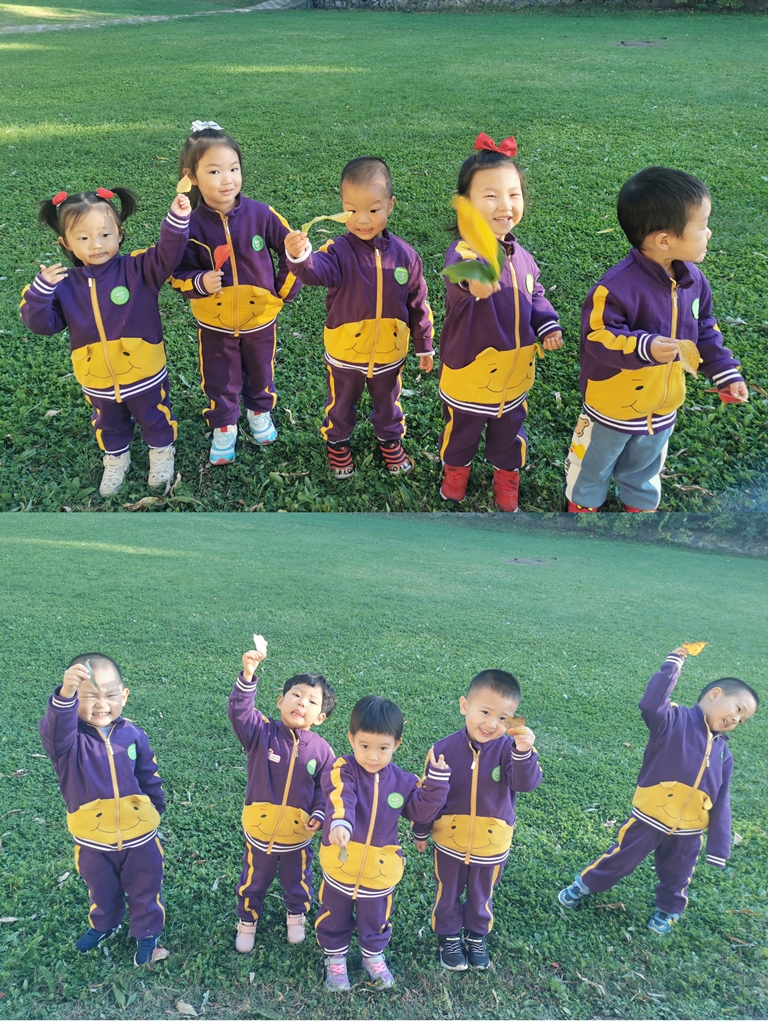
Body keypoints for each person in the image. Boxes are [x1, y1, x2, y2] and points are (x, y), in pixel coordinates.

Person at [565, 166, 748, 512]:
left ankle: (639, 505)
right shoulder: (615, 288)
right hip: (612, 406)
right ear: (664, 240)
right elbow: (598, 338)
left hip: (663, 407)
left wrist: (725, 373)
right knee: (593, 463)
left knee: (646, 465)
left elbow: (704, 329)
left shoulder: (694, 281)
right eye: (702, 226)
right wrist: (644, 346)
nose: (709, 232)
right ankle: (584, 504)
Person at [558, 647, 758, 934]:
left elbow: (721, 801)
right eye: (738, 709)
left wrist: (718, 846)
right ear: (715, 694)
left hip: (690, 832)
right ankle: (584, 884)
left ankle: (668, 910)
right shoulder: (674, 720)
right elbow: (651, 704)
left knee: (678, 875)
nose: (737, 720)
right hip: (649, 818)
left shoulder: (724, 754)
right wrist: (672, 666)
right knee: (620, 858)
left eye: (743, 719)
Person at [20, 188, 190, 496]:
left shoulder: (138, 269)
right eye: (83, 238)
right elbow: (42, 325)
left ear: (120, 233)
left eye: (105, 234)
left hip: (144, 371)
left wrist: (177, 220)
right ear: (65, 243)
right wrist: (40, 294)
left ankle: (161, 452)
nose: (96, 244)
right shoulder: (65, 287)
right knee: (108, 422)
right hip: (96, 378)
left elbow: (168, 254)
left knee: (154, 415)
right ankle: (116, 458)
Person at [284, 156, 434, 479]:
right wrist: (299, 256)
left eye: (374, 210)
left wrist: (424, 344)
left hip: (389, 354)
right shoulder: (337, 252)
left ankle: (390, 439)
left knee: (389, 401)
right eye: (352, 211)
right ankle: (337, 442)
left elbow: (418, 303)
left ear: (391, 205)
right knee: (341, 402)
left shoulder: (407, 257)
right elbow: (313, 272)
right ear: (341, 209)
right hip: (345, 353)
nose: (363, 220)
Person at [437, 133, 564, 512]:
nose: (505, 205)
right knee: (461, 431)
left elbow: (534, 292)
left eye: (513, 194)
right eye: (490, 195)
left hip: (515, 375)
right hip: (470, 375)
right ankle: (456, 470)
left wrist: (547, 323)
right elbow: (460, 272)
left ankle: (507, 476)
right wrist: (475, 279)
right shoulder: (466, 250)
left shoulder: (523, 256)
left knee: (510, 433)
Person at [169, 121, 301, 464]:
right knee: (220, 377)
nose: (227, 179)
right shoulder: (188, 225)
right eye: (214, 171)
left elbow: (292, 250)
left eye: (234, 168)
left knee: (261, 370)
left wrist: (282, 291)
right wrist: (200, 282)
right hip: (215, 323)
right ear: (191, 177)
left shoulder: (261, 214)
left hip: (260, 319)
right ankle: (224, 424)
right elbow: (174, 271)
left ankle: (259, 411)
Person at [38, 655, 167, 965]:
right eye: (89, 696)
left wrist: (155, 807)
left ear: (124, 695)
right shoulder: (67, 743)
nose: (101, 704)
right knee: (101, 889)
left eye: (109, 695)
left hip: (140, 837)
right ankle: (105, 924)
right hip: (93, 842)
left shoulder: (133, 734)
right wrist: (65, 695)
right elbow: (53, 730)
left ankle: (147, 933)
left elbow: (148, 774)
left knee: (146, 886)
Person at [316, 696, 450, 991]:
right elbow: (341, 797)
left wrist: (437, 784)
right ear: (351, 739)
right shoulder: (343, 768)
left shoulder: (403, 781)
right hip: (342, 863)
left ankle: (372, 955)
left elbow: (420, 812)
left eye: (382, 748)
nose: (373, 757)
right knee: (333, 914)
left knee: (376, 917)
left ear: (396, 745)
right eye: (364, 746)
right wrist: (340, 823)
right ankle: (335, 957)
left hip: (379, 871)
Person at [413, 669, 542, 970]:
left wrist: (524, 752)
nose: (491, 724)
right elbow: (428, 796)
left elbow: (526, 783)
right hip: (449, 842)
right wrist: (421, 830)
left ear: (513, 721)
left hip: (492, 845)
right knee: (447, 891)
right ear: (464, 706)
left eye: (502, 718)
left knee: (482, 894)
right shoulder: (442, 751)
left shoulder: (512, 750)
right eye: (485, 712)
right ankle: (448, 936)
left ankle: (476, 935)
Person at [227, 639, 337, 951]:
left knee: (298, 880)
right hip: (260, 832)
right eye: (296, 695)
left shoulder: (322, 751)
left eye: (311, 701)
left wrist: (320, 813)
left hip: (297, 837)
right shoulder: (260, 733)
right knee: (253, 880)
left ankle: (296, 915)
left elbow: (327, 790)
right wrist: (248, 676)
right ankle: (247, 921)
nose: (301, 703)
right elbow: (239, 713)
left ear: (320, 718)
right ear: (280, 700)